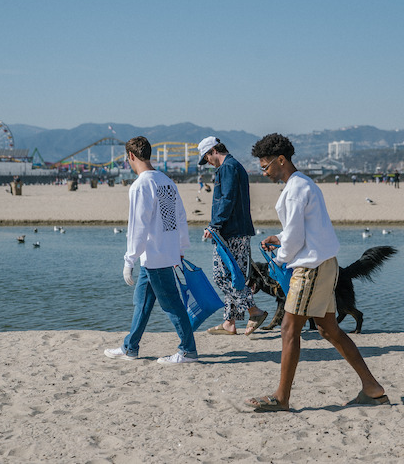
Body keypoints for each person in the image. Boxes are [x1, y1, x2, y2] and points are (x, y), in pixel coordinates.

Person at [245, 133, 388, 412]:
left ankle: (281, 399)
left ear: (281, 160)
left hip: (310, 268)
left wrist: (281, 260)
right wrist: (281, 237)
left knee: (288, 329)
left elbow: (296, 238)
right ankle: (372, 388)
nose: (264, 172)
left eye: (265, 166)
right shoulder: (304, 184)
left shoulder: (296, 189)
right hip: (325, 263)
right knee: (329, 329)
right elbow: (303, 230)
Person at [104, 136, 198, 365]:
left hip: (154, 254)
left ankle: (188, 350)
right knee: (143, 302)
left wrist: (129, 260)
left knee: (172, 304)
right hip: (162, 253)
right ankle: (130, 347)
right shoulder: (166, 180)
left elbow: (138, 224)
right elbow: (180, 217)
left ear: (131, 157)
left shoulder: (141, 185)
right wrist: (181, 247)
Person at [197, 136, 268, 336]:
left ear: (213, 151)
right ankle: (229, 322)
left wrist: (214, 225)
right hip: (239, 229)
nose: (208, 163)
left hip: (231, 231)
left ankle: (254, 310)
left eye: (207, 158)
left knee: (221, 277)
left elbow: (227, 199)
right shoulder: (234, 165)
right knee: (233, 276)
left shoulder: (227, 168)